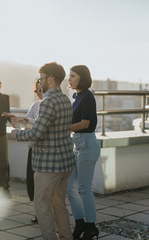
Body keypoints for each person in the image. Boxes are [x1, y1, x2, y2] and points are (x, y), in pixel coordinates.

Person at [11, 62, 75, 240]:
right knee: (59, 204)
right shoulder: (65, 100)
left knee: (42, 205)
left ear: (50, 79)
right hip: (65, 162)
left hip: (48, 165)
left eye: (41, 79)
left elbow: (37, 133)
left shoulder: (47, 102)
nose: (39, 83)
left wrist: (16, 134)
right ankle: (66, 237)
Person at [67, 65, 101, 240]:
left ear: (82, 77)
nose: (69, 79)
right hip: (77, 143)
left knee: (84, 188)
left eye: (73, 76)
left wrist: (64, 128)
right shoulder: (77, 96)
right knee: (69, 187)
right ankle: (79, 222)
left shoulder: (87, 96)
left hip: (87, 143)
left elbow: (85, 123)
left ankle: (91, 226)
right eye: (69, 76)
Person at [10, 79, 43, 223]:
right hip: (34, 147)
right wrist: (18, 122)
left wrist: (28, 122)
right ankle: (39, 212)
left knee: (44, 184)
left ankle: (48, 212)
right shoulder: (35, 105)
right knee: (33, 181)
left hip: (45, 149)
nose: (40, 93)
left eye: (42, 90)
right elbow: (26, 123)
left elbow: (34, 123)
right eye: (38, 91)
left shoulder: (49, 104)